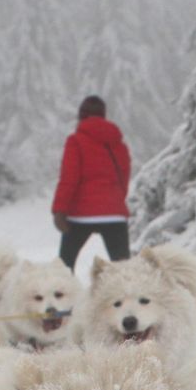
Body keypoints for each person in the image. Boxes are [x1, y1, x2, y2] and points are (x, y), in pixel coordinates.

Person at [50, 95, 131, 269]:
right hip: (114, 215)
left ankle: (69, 296)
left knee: (64, 268)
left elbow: (68, 178)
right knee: (125, 271)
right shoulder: (118, 144)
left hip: (80, 215)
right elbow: (123, 179)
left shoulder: (76, 141)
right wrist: (114, 201)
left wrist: (59, 210)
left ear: (81, 115)